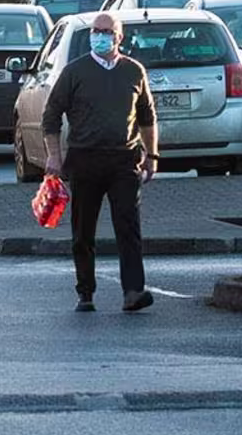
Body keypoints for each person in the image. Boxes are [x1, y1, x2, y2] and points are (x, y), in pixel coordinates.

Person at [39, 16, 158, 313]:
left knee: (128, 227)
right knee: (83, 230)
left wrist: (152, 156)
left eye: (107, 32)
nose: (100, 37)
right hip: (84, 159)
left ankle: (133, 291)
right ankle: (85, 292)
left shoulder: (133, 71)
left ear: (119, 38)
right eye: (96, 31)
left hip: (123, 160)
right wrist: (54, 156)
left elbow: (147, 118)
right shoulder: (75, 72)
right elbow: (51, 116)